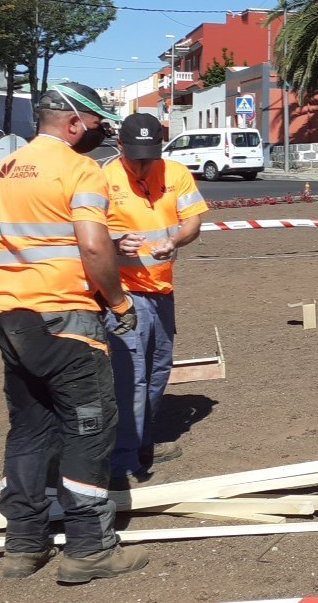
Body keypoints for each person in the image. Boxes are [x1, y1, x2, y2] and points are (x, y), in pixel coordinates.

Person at [0, 83, 149, 585]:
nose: (98, 134)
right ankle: (89, 549)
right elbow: (92, 249)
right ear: (73, 123)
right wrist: (118, 300)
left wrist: (37, 267)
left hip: (9, 314)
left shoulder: (0, 172)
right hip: (65, 319)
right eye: (95, 126)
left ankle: (23, 545)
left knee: (30, 429)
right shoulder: (80, 169)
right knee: (89, 427)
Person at [102, 113, 208, 481]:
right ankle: (123, 458)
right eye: (136, 157)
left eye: (151, 156)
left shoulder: (175, 172)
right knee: (130, 375)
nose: (145, 165)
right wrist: (115, 244)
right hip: (123, 291)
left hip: (162, 289)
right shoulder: (102, 178)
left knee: (158, 369)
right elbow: (82, 236)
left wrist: (175, 240)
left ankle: (140, 441)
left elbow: (193, 219)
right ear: (119, 147)